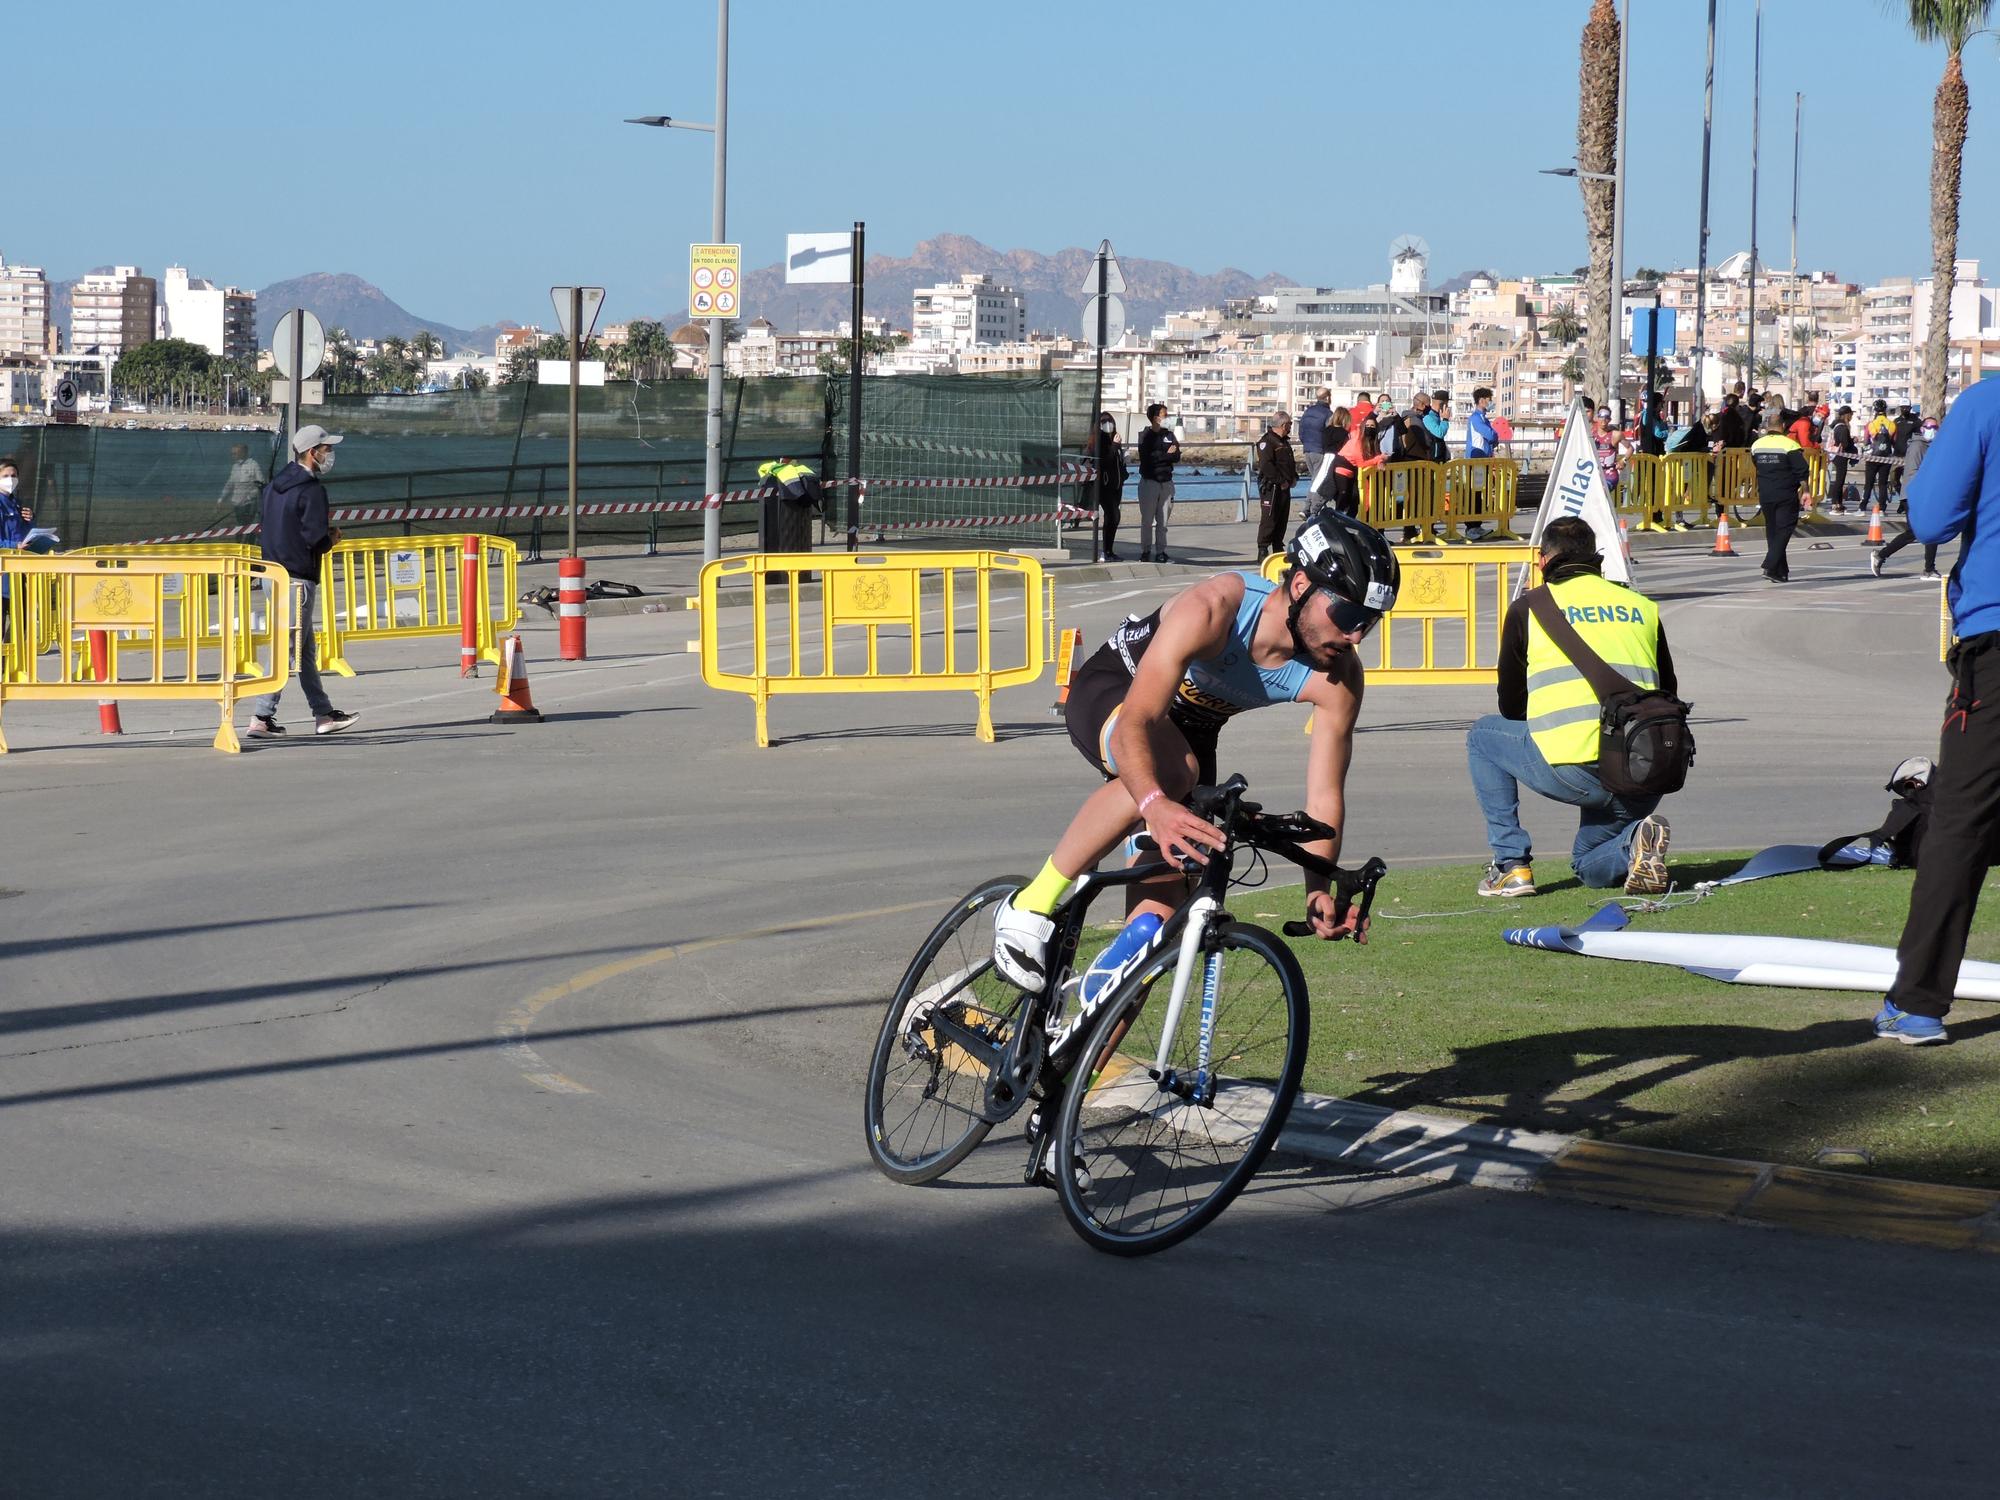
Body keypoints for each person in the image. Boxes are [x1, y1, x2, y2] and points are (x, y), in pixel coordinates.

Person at [990, 511, 1399, 997]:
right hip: (1119, 694)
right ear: (1300, 585)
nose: (1356, 637)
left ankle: (1075, 1055)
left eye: (1369, 623)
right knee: (1175, 771)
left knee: (1160, 932)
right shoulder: (1217, 607)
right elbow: (1135, 726)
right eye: (1349, 617)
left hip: (1191, 738)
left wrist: (1318, 888)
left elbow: (1324, 798)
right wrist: (1153, 806)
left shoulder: (1339, 678)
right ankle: (1030, 905)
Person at [1872, 378, 2000, 1045]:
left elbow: (1929, 517)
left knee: (1961, 820)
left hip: (1995, 638)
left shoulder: (1988, 401)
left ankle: (1919, 1000)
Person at [1466, 515, 1677, 898]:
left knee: (1483, 736)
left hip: (1577, 768)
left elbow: (1511, 706)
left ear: (1543, 561)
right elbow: (1668, 689)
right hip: (1643, 767)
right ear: (1595, 557)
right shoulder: (1641, 605)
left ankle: (1510, 865)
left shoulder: (1528, 608)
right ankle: (1634, 845)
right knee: (1589, 863)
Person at [248, 425, 360, 739]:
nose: (330, 455)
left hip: (273, 574)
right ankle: (261, 716)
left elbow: (270, 529)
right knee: (288, 648)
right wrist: (331, 539)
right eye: (327, 449)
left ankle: (323, 713)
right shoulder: (311, 490)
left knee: (305, 649)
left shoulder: (273, 487)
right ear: (312, 452)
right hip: (298, 578)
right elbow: (314, 538)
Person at [1872, 418, 1944, 580]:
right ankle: (1881, 555)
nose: (1932, 429)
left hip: (1925, 495)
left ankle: (1928, 569)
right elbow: (1912, 473)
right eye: (1928, 426)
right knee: (1918, 532)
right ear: (1922, 429)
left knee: (1927, 531)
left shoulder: (1932, 447)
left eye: (1934, 427)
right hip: (1914, 496)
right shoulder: (1918, 446)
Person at [1750, 404, 1809, 584]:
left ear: (1767, 427)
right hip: (1785, 494)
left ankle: (1779, 571)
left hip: (1766, 494)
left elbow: (1756, 465)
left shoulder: (1756, 445)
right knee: (1784, 529)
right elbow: (1802, 470)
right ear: (1782, 426)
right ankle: (1769, 564)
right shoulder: (1790, 444)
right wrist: (1805, 490)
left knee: (1773, 531)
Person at [1135, 403, 1179, 564]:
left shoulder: (1169, 435)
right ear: (1155, 417)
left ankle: (1161, 551)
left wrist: (1164, 456)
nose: (1167, 418)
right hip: (1149, 482)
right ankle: (1145, 551)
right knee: (1147, 520)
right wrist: (1166, 455)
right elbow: (1147, 458)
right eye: (1164, 415)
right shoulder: (1145, 435)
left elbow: (1176, 455)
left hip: (1166, 482)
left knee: (1163, 521)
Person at [1254, 408, 1299, 557]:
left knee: (1282, 518)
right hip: (1271, 487)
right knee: (1269, 518)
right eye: (1290, 424)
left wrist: (1293, 477)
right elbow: (1266, 465)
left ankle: (1278, 546)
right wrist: (1280, 481)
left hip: (1285, 486)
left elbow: (1288, 463)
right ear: (1283, 425)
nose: (1290, 427)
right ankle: (1263, 549)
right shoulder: (1267, 441)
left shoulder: (1283, 442)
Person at [1086, 414, 1128, 562]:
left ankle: (1109, 551)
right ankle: (1105, 551)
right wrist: (1115, 446)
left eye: (1110, 421)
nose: (1108, 424)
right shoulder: (1098, 441)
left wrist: (1124, 474)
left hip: (1116, 485)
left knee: (1113, 518)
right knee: (1113, 515)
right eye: (1104, 421)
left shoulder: (1114, 439)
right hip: (1104, 486)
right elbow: (1105, 462)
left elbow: (1118, 462)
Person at [1863, 400, 1896, 512]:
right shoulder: (1892, 425)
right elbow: (1894, 441)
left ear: (1875, 410)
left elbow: (1866, 441)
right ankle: (1882, 508)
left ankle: (1863, 507)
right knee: (1883, 483)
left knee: (1869, 483)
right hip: (1886, 457)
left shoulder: (1870, 424)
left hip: (1872, 457)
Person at [1827, 404, 1858, 513]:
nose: (1851, 417)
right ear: (1847, 415)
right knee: (1839, 481)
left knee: (1839, 481)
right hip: (1841, 456)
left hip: (1835, 455)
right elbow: (1844, 444)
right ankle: (1835, 504)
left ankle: (1838, 503)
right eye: (1851, 414)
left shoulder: (1836, 425)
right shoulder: (1843, 427)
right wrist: (1852, 441)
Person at [1299, 388, 1333, 476]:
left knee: (1314, 478)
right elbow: (1330, 433)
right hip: (1320, 450)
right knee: (1319, 481)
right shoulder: (1328, 413)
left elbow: (1301, 431)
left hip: (1307, 450)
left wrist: (1306, 444)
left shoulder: (1308, 411)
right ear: (1327, 398)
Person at [1636, 391, 1670, 458]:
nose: (1662, 406)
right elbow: (1658, 434)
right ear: (1656, 403)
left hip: (1655, 452)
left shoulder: (1655, 415)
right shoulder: (1649, 415)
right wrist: (1669, 432)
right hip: (1650, 453)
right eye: (1661, 403)